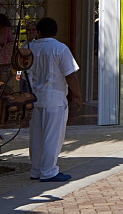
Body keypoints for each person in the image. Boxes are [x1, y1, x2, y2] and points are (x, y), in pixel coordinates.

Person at [28, 17, 81, 182]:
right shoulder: (60, 48)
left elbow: (19, 72)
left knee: (36, 137)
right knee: (52, 137)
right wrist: (77, 95)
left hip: (34, 97)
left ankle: (36, 169)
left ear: (38, 31)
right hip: (54, 97)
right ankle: (49, 171)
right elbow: (70, 74)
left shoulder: (28, 48)